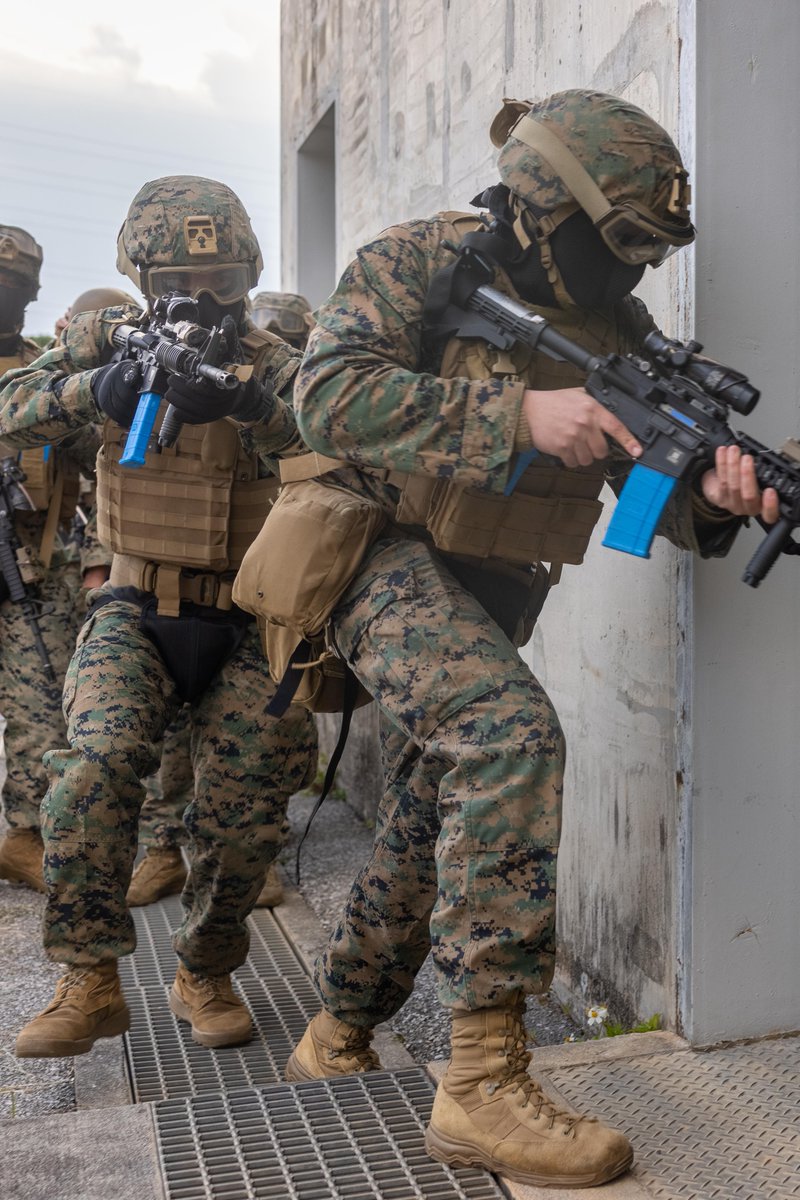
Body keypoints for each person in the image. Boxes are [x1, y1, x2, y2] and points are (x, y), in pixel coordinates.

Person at [255, 91, 778, 1188]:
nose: (631, 267)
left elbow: (656, 504)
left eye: (650, 249)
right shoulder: (424, 258)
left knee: (430, 811)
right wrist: (519, 417)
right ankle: (482, 1081)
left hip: (486, 580)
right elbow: (324, 396)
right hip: (368, 543)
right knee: (508, 738)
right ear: (548, 204)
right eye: (619, 240)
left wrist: (719, 495)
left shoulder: (617, 332)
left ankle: (337, 1031)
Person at [0, 177, 317, 1058]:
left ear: (249, 275)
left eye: (222, 281)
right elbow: (8, 411)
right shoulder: (103, 343)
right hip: (133, 604)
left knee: (246, 809)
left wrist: (253, 406)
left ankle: (204, 971)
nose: (203, 299)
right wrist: (95, 388)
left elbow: (338, 439)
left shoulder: (277, 358)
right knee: (90, 774)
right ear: (144, 280)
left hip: (254, 616)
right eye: (180, 281)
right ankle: (90, 980)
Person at [0, 228, 109, 893]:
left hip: (29, 575)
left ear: (32, 294)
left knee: (40, 713)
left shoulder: (44, 376)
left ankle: (24, 836)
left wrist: (98, 559)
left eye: (13, 288)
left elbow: (104, 467)